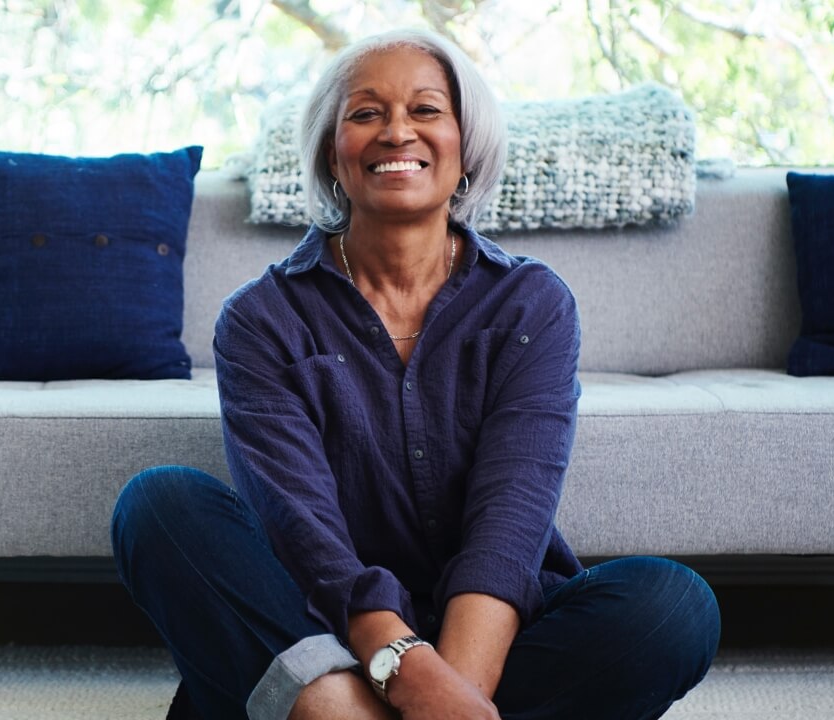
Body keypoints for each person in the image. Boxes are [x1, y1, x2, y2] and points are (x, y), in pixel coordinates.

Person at [111, 28, 720, 720]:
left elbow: (509, 525)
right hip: (323, 628)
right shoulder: (261, 319)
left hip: (492, 636)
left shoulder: (532, 303)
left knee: (673, 608)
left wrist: (446, 693)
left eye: (427, 110)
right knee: (158, 505)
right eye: (366, 114)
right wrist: (401, 669)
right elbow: (303, 533)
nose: (397, 132)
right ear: (332, 157)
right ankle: (331, 704)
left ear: (466, 148)